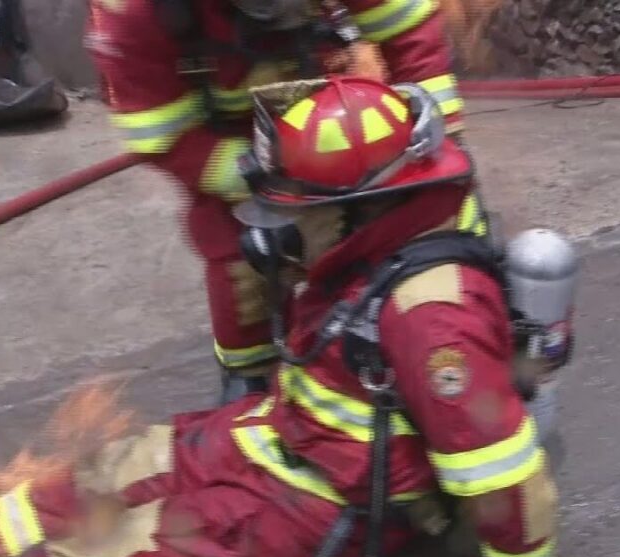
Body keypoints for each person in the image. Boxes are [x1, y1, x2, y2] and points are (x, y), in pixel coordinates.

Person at [0, 77, 560, 557]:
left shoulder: (433, 319)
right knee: (103, 473)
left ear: (364, 207)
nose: (275, 232)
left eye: (299, 214)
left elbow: (506, 480)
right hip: (283, 436)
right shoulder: (375, 252)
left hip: (324, 503)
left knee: (103, 555)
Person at [85, 0, 467, 403]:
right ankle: (250, 378)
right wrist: (268, 181)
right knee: (243, 260)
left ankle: (454, 328)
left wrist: (432, 116)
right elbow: (164, 136)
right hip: (234, 144)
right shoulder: (132, 13)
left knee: (436, 213)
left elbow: (405, 28)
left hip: (338, 109)